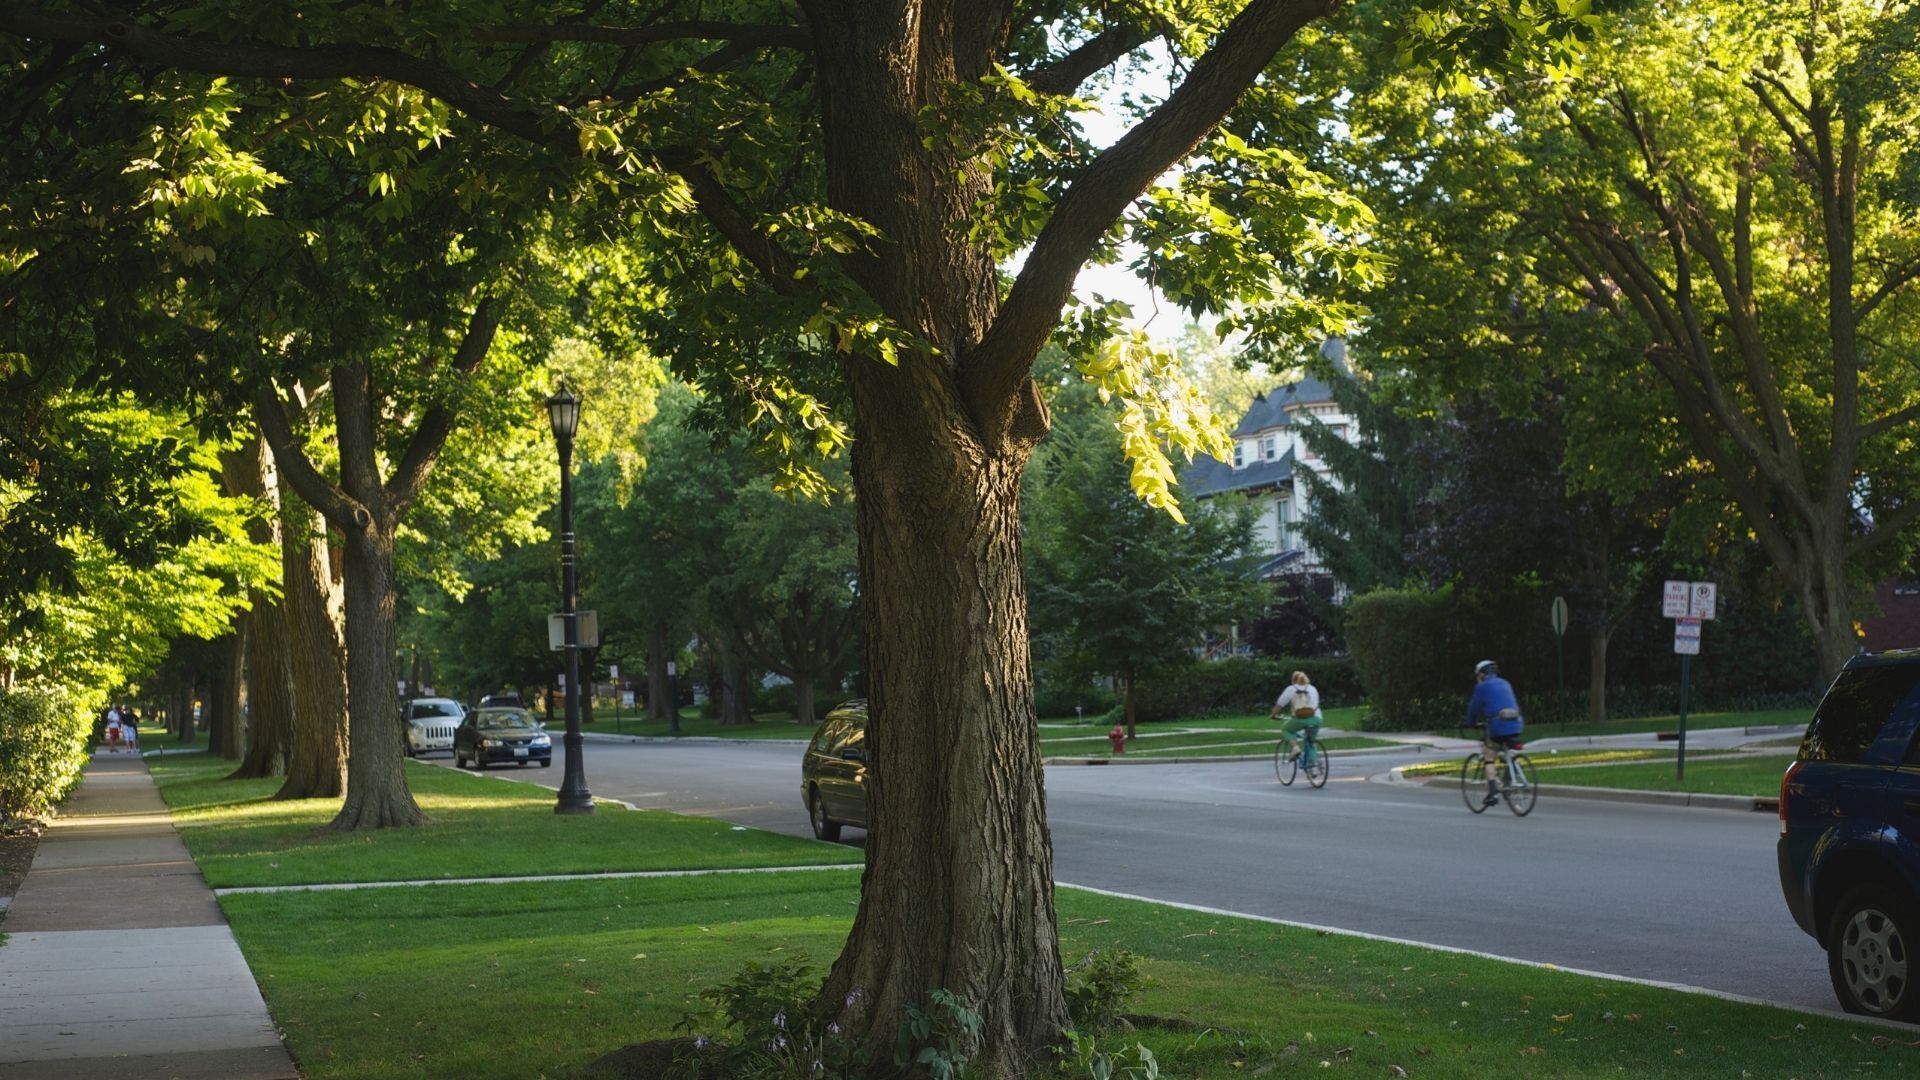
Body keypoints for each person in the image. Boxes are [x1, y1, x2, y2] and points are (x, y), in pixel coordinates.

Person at [1466, 659, 1524, 807]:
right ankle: (1511, 773)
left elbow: (1473, 709)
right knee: (1507, 749)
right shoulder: (1505, 683)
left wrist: (1470, 723)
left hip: (1499, 725)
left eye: (1478, 675)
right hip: (1516, 723)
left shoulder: (1482, 687)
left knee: (1489, 755)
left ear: (1482, 674)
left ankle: (1493, 792)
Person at [1269, 670, 1323, 767]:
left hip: (1300, 719)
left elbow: (1279, 704)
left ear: (1293, 681)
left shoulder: (1291, 689)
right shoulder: (1313, 688)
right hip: (1316, 718)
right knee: (1311, 741)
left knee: (1286, 729)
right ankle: (1313, 765)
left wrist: (1273, 715)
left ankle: (1295, 748)